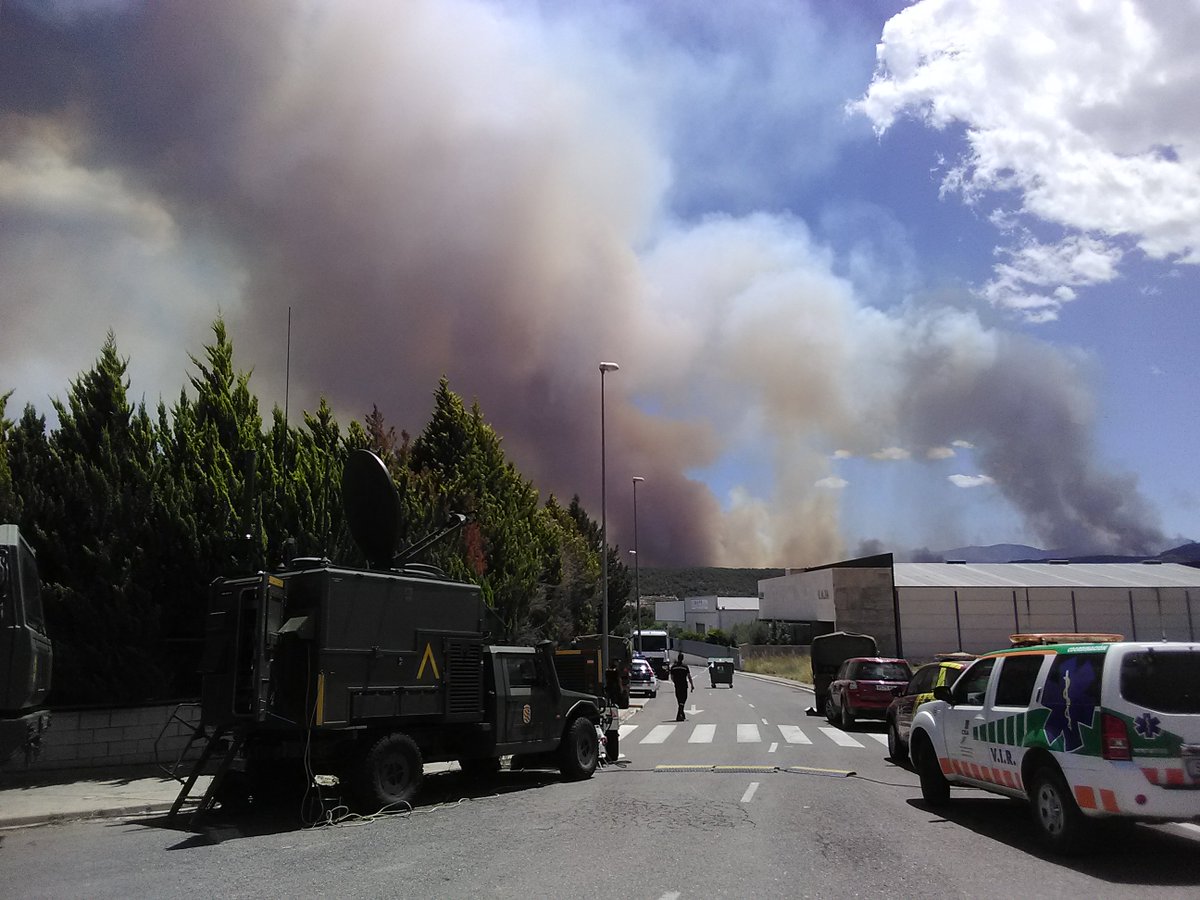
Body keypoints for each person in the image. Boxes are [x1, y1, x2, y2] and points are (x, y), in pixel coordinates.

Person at [669, 652, 694, 722]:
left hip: (677, 685)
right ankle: (679, 714)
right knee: (683, 699)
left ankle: (681, 714)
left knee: (679, 699)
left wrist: (675, 682)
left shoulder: (673, 667)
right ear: (682, 659)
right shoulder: (685, 667)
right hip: (684, 685)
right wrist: (692, 685)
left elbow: (672, 677)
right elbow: (689, 676)